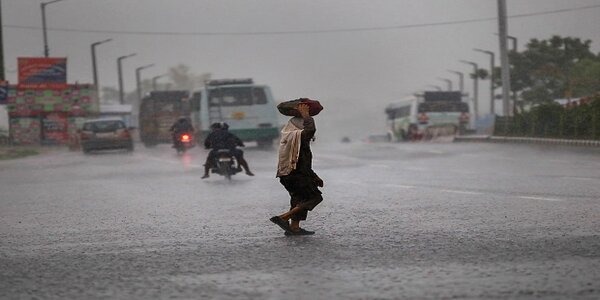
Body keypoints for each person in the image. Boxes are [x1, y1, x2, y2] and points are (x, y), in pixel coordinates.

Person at [270, 104, 323, 236]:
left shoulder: (288, 137)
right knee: (314, 197)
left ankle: (294, 227)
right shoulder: (298, 137)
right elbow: (310, 130)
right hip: (297, 175)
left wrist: (314, 176)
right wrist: (306, 115)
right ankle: (284, 217)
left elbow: (302, 162)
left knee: (299, 200)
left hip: (287, 175)